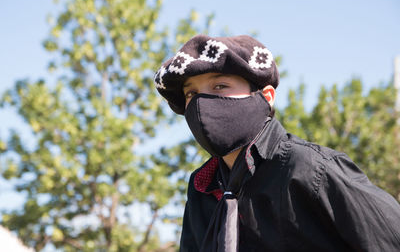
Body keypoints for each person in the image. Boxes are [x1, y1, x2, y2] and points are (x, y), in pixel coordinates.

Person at [154, 35, 400, 252]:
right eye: (191, 94)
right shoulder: (201, 190)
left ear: (266, 98)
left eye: (220, 86)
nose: (201, 103)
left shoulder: (311, 169)